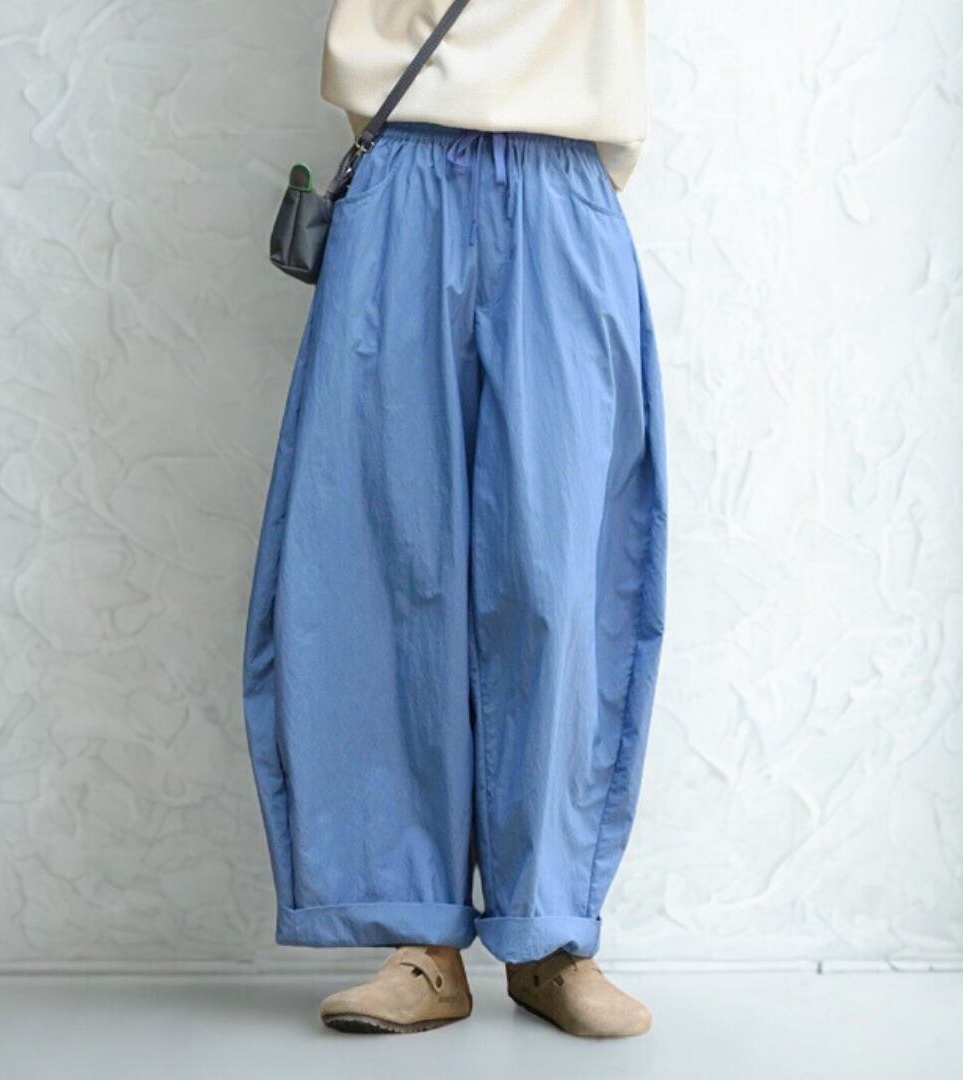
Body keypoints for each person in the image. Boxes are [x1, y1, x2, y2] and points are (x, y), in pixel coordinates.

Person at [243, 0, 667, 1038]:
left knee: (560, 577)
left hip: (562, 176)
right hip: (403, 163)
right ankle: (418, 937)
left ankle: (550, 930)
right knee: (381, 561)